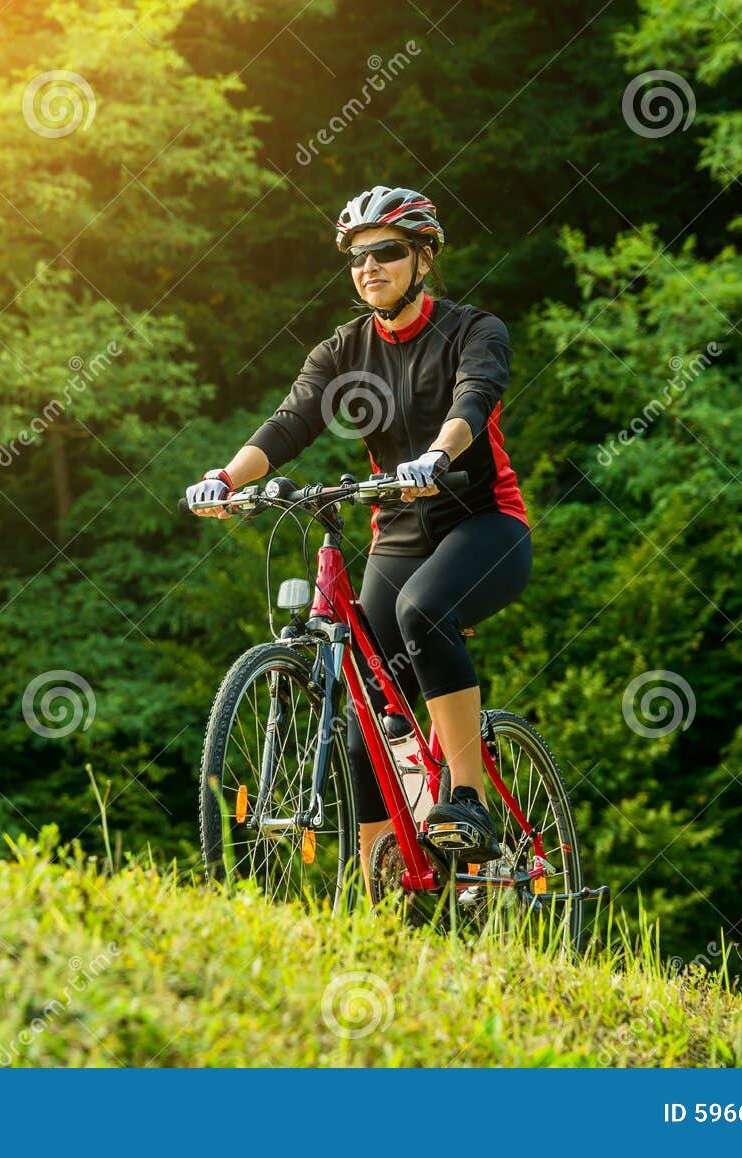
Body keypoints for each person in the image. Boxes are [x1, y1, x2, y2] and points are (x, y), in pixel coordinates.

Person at [184, 184, 532, 873]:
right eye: (356, 256)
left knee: (423, 611)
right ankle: (383, 883)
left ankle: (467, 798)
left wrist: (437, 454)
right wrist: (227, 479)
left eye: (388, 252)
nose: (369, 266)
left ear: (424, 259)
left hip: (483, 524)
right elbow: (291, 422)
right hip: (398, 533)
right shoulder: (343, 351)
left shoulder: (472, 330)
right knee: (364, 705)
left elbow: (474, 397)